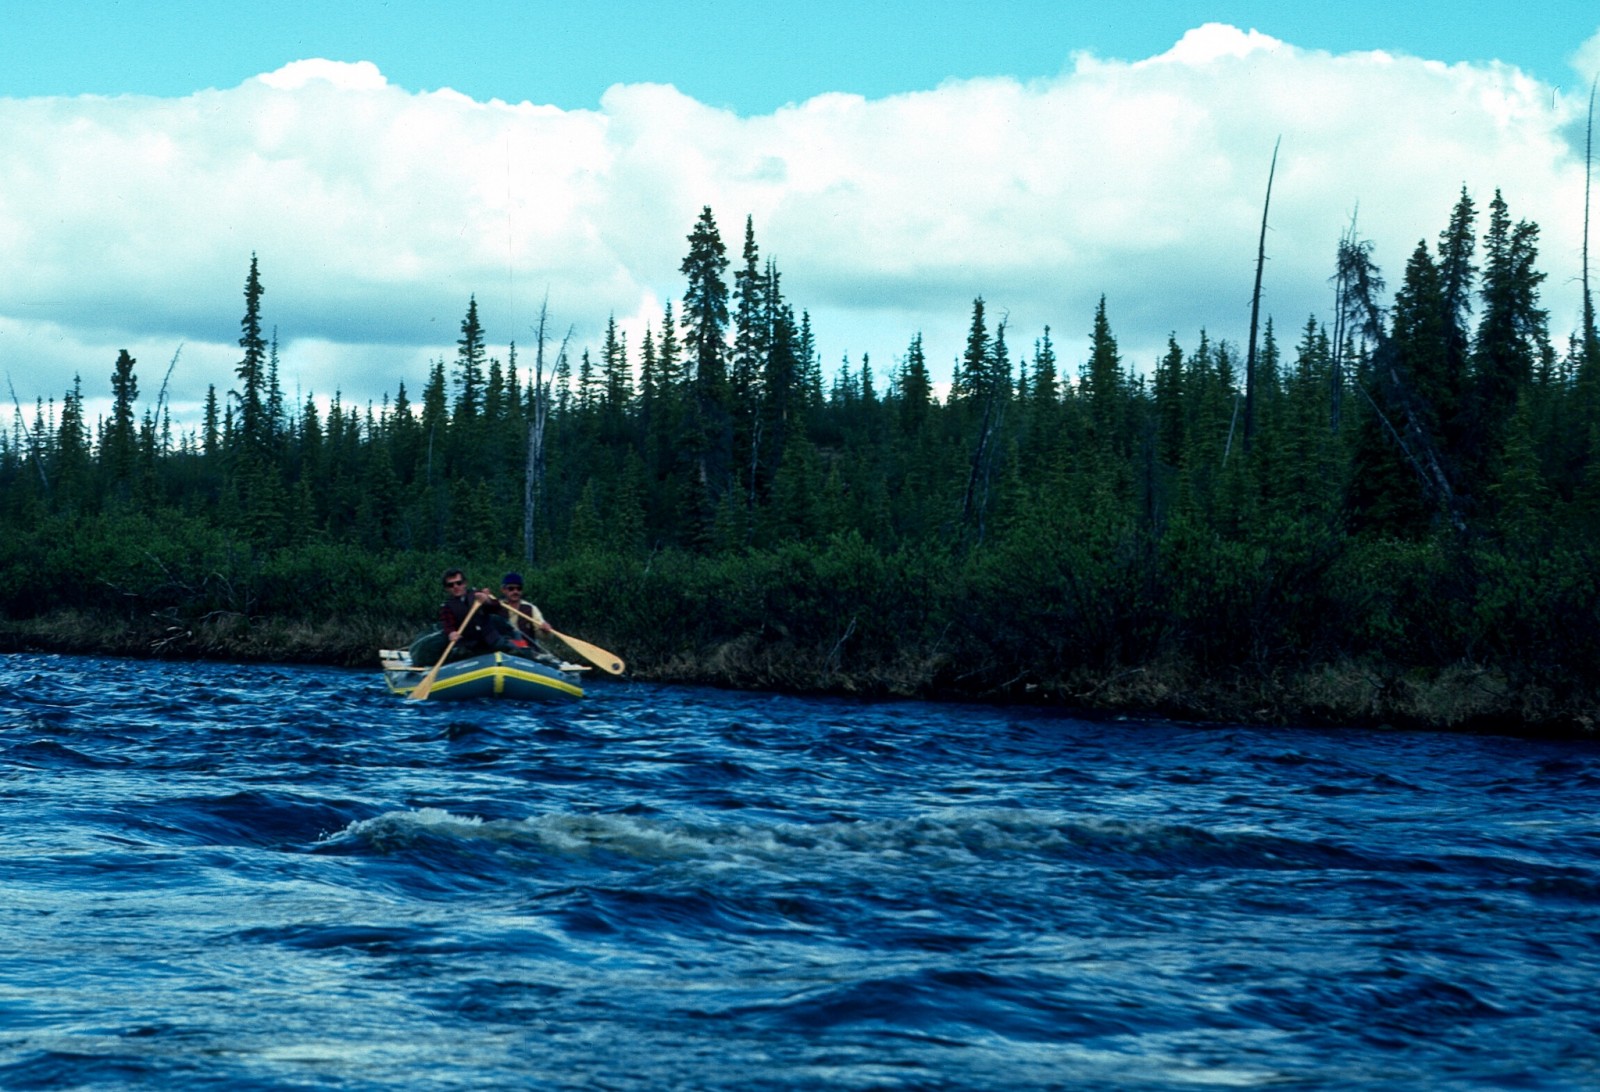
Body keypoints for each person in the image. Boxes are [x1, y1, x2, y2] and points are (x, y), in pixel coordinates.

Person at [494, 571, 563, 666]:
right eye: (511, 588)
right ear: (503, 590)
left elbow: (544, 636)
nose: (515, 592)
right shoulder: (495, 606)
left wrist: (546, 631)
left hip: (527, 652)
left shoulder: (531, 609)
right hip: (503, 651)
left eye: (519, 588)